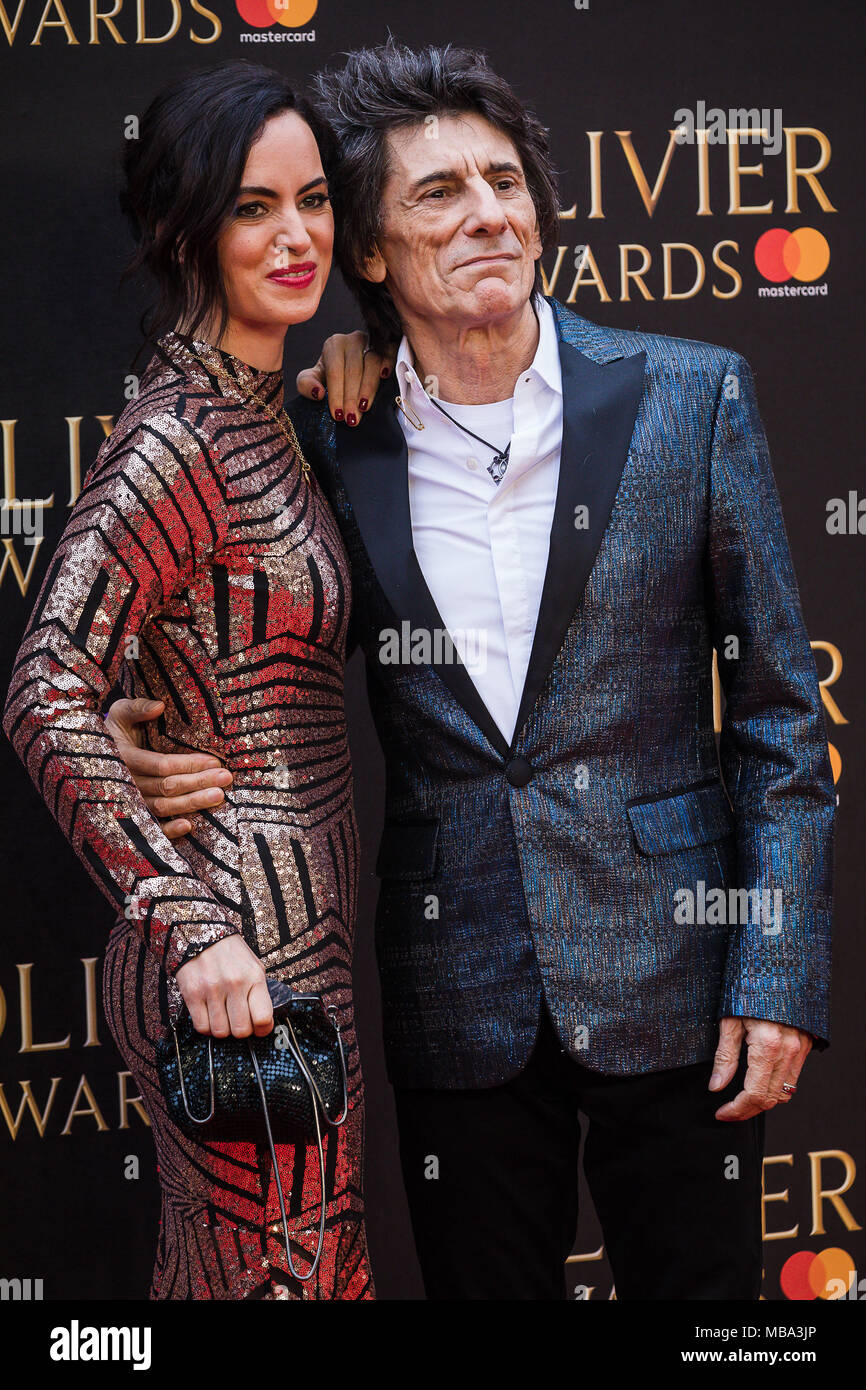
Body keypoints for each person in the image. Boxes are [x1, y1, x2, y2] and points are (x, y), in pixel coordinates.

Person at [105, 41, 835, 1301]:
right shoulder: (334, 438)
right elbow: (257, 636)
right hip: (460, 997)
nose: (488, 211)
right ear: (372, 256)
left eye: (503, 180)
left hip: (678, 982)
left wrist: (774, 976)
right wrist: (130, 720)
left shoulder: (688, 396)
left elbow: (778, 715)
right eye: (436, 192)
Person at [2, 60, 390, 1301]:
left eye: (313, 199)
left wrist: (344, 383)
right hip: (236, 957)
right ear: (184, 228)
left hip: (299, 941)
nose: (297, 236)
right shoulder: (176, 435)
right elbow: (44, 686)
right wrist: (192, 920)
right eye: (251, 207)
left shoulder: (265, 411)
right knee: (273, 1281)